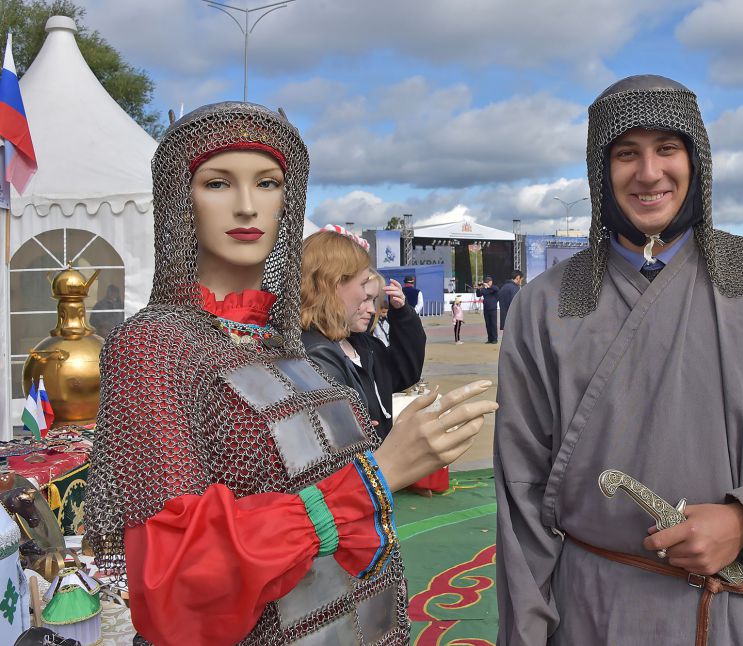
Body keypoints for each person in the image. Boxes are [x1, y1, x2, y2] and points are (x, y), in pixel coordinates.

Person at [85, 102, 496, 645]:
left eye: (268, 183)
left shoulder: (285, 342)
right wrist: (379, 475)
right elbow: (177, 581)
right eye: (217, 183)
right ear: (181, 199)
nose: (246, 205)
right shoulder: (155, 347)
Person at [493, 75, 743, 645]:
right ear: (601, 171)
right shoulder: (545, 304)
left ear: (696, 160)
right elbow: (521, 491)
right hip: (597, 614)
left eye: (667, 148)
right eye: (626, 153)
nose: (649, 173)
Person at [301, 234, 426, 440]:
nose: (370, 307)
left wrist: (403, 316)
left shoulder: (363, 345)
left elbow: (404, 372)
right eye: (363, 288)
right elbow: (340, 442)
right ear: (333, 284)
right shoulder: (317, 354)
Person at [477, 276, 499, 344]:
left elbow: (497, 289)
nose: (487, 283)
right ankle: (490, 338)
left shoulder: (494, 288)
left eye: (488, 282)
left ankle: (495, 339)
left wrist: (489, 286)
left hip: (493, 309)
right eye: (486, 282)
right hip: (486, 309)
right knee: (488, 324)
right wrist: (478, 288)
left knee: (493, 324)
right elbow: (478, 295)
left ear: (491, 282)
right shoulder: (484, 289)